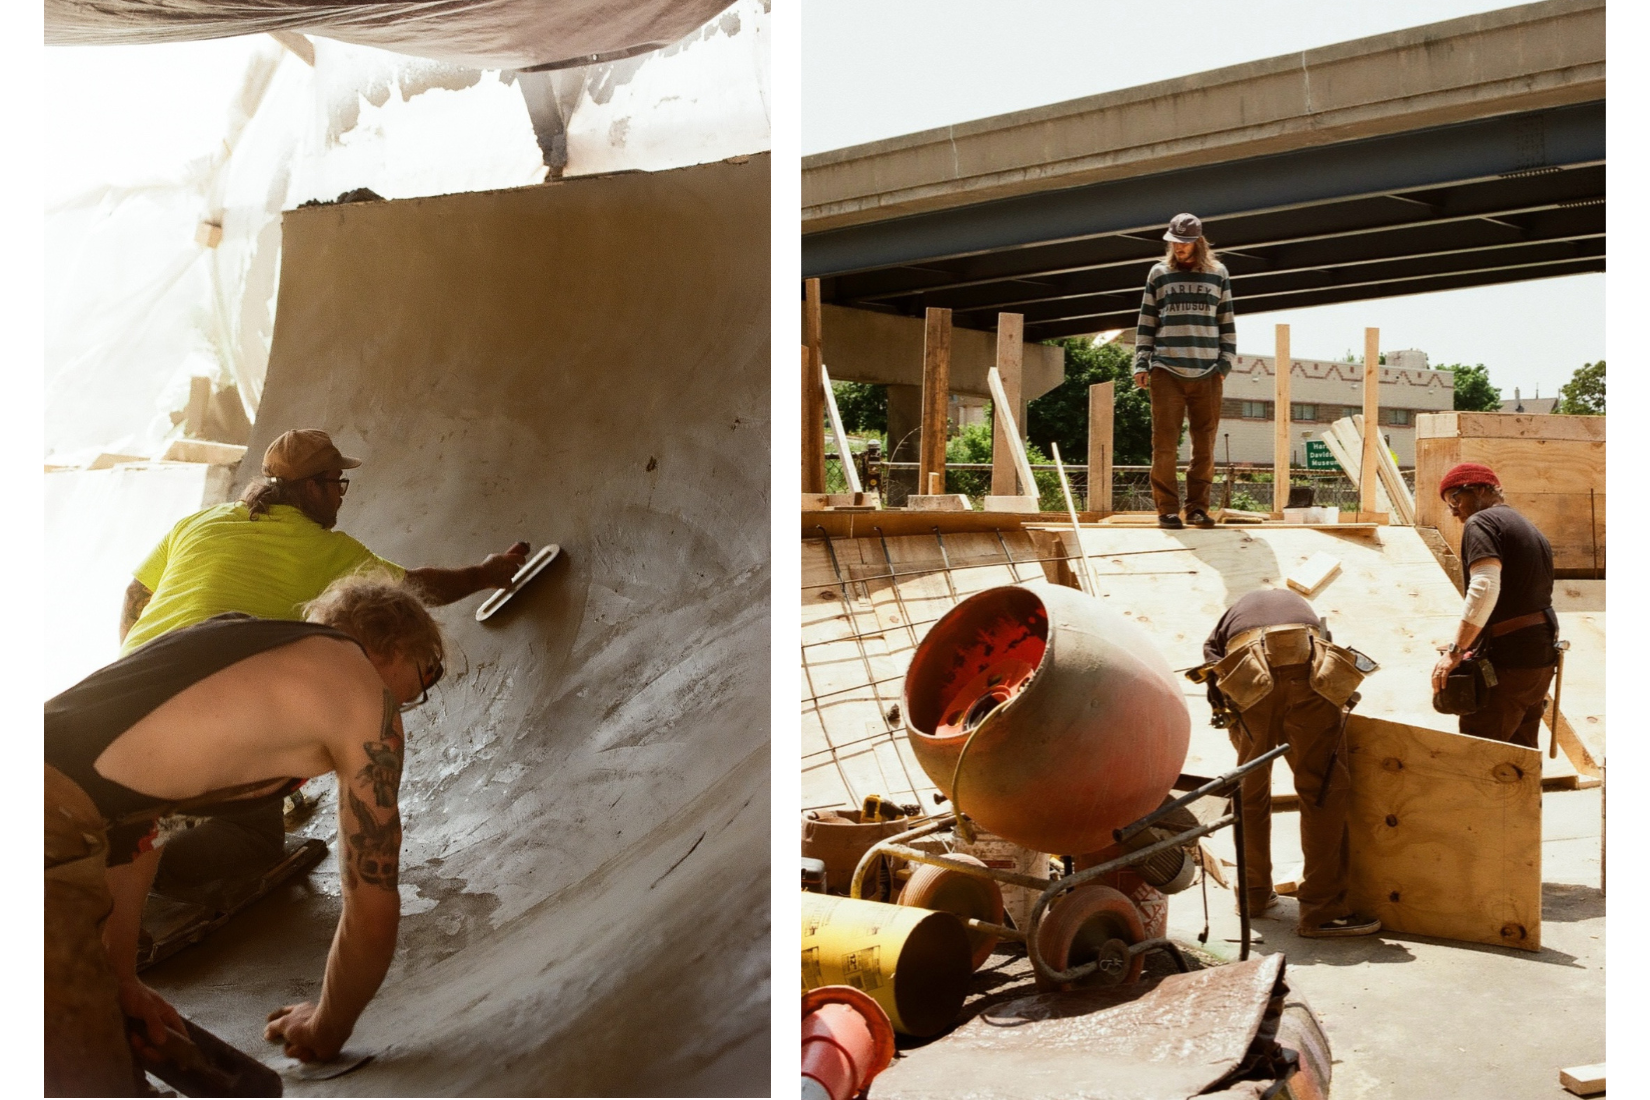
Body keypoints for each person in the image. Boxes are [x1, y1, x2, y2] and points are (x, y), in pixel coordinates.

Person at [46, 576, 441, 1094]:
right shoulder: (363, 693)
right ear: (392, 643)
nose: (417, 696)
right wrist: (325, 1027)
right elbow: (371, 911)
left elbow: (142, 827)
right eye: (425, 672)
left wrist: (119, 975)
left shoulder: (232, 644)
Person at [117, 427, 526, 895]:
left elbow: (136, 594)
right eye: (337, 483)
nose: (340, 497)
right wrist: (485, 573)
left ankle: (145, 831)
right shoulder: (330, 551)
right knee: (253, 839)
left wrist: (137, 661)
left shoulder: (199, 523)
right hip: (206, 712)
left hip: (122, 690)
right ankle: (136, 868)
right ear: (311, 487)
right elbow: (413, 591)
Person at [1201, 588, 1381, 938]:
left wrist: (1230, 714)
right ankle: (1322, 911)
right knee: (1322, 789)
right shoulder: (1301, 609)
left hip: (1246, 671)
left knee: (1250, 792)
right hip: (1305, 660)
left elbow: (1212, 661)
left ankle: (1253, 896)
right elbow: (1328, 655)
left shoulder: (1233, 614)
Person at [1429, 462, 1559, 748]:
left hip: (1508, 662)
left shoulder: (1482, 522)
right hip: (1538, 658)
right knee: (1519, 759)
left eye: (1455, 498)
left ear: (1478, 489)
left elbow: (1485, 586)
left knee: (1482, 760)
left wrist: (1456, 651)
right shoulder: (1526, 526)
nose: (1452, 509)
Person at [1133, 212, 1237, 530]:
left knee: (1204, 444)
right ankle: (1167, 509)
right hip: (1166, 370)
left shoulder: (1218, 274)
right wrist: (1141, 362)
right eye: (1174, 242)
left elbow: (1227, 322)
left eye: (1185, 242)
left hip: (1208, 372)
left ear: (1198, 242)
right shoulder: (1159, 273)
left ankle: (1197, 509)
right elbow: (1147, 320)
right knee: (1164, 444)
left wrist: (1224, 364)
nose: (1179, 247)